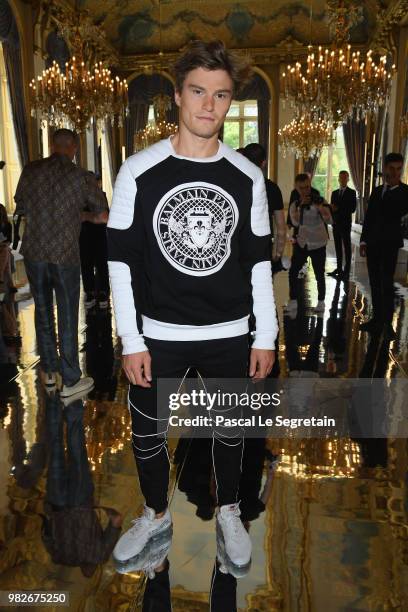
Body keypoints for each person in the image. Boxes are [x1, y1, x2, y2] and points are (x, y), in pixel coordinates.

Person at [107, 40, 277, 576]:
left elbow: (257, 263)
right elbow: (121, 264)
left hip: (231, 334)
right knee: (148, 433)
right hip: (159, 334)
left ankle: (229, 511)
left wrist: (265, 334)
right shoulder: (138, 170)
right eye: (199, 92)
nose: (209, 105)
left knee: (231, 431)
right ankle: (156, 514)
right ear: (178, 96)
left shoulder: (246, 178)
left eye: (221, 95)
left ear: (230, 102)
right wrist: (131, 339)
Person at [14, 129, 108, 396]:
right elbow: (102, 215)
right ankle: (70, 379)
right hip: (64, 254)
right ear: (75, 147)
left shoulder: (31, 170)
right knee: (67, 313)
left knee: (42, 311)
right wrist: (82, 216)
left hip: (34, 252)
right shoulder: (82, 177)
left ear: (50, 145)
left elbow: (20, 206)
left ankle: (50, 374)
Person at [359, 152, 408, 339]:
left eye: (398, 169)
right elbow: (369, 218)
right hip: (372, 244)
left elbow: (395, 212)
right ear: (385, 168)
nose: (395, 172)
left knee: (386, 283)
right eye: (392, 168)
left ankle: (387, 323)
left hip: (389, 245)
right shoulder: (377, 191)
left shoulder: (405, 192)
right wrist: (363, 240)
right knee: (374, 281)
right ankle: (376, 319)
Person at [286, 173, 332, 314]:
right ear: (297, 188)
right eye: (301, 189)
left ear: (310, 185)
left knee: (319, 273)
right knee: (293, 271)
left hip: (318, 243)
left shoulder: (319, 199)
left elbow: (329, 220)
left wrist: (321, 208)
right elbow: (294, 222)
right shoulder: (295, 203)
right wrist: (300, 208)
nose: (305, 191)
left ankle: (321, 302)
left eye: (307, 187)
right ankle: (293, 301)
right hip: (302, 243)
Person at [241, 143, 286, 265]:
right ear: (264, 163)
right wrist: (278, 252)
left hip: (238, 248)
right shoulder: (272, 188)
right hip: (263, 247)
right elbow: (281, 228)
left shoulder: (234, 186)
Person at [79, 173, 110, 310]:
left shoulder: (101, 195)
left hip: (99, 235)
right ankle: (90, 292)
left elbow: (105, 216)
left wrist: (86, 217)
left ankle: (103, 293)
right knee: (86, 265)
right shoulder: (79, 197)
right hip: (84, 236)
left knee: (101, 265)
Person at [328, 170, 357, 279]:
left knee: (347, 246)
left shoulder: (352, 192)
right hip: (336, 223)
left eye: (345, 178)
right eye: (341, 178)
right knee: (337, 247)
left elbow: (352, 209)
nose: (343, 180)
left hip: (345, 224)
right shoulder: (334, 193)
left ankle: (347, 270)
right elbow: (332, 208)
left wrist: (338, 208)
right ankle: (339, 268)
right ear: (339, 179)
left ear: (348, 179)